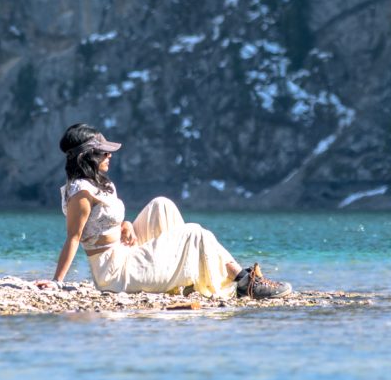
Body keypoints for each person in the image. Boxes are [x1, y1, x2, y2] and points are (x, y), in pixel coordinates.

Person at [49, 123, 292, 299]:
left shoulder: (100, 184)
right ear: (86, 156)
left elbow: (102, 221)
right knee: (194, 233)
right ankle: (244, 282)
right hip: (114, 273)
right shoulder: (81, 192)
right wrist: (57, 283)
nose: (109, 154)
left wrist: (126, 225)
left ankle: (187, 275)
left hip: (122, 252)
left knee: (161, 205)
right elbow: (74, 237)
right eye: (102, 151)